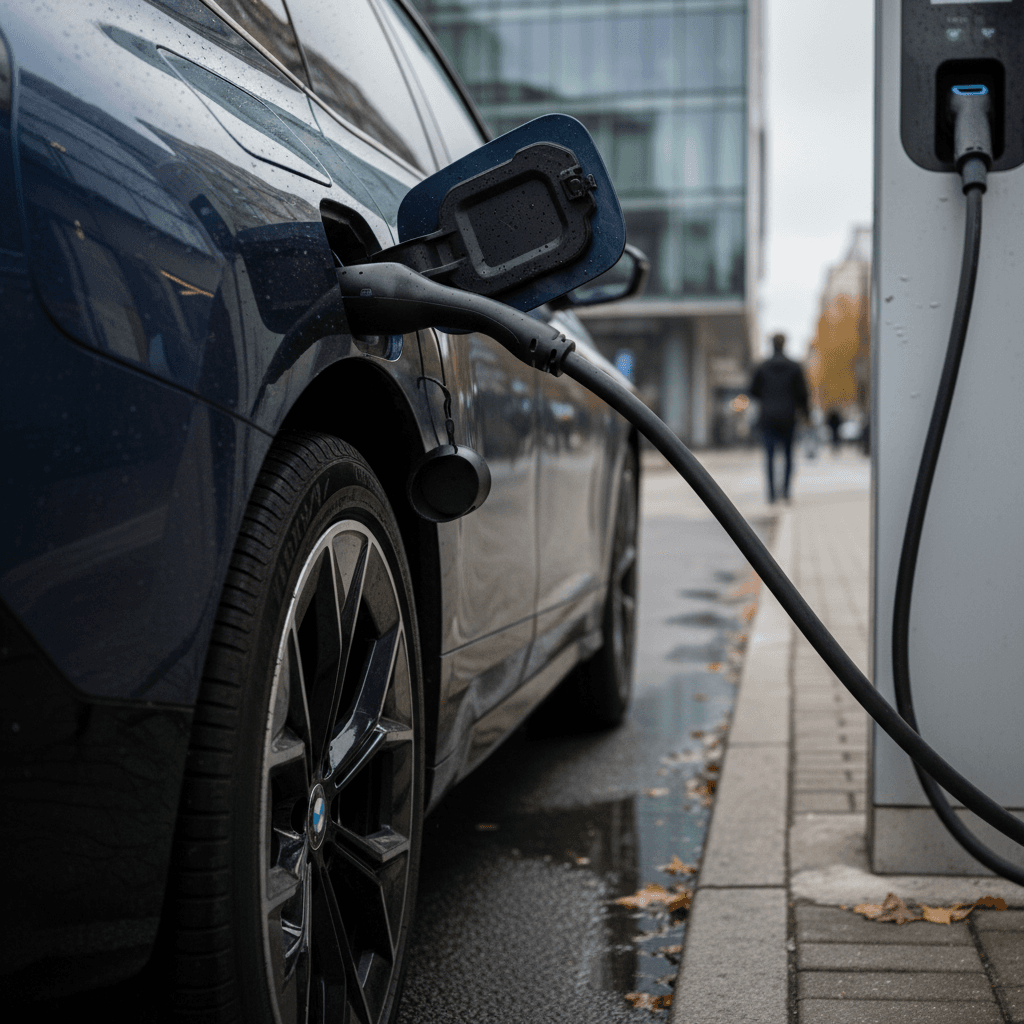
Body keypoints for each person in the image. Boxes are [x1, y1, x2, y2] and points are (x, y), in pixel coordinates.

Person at [749, 333, 809, 503]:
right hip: (788, 417)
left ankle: (771, 494)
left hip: (768, 417)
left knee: (769, 456)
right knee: (789, 456)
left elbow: (753, 390)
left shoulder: (762, 367)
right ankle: (786, 492)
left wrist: (766, 397)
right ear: (784, 345)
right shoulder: (794, 367)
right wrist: (806, 415)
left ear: (771, 345)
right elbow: (803, 394)